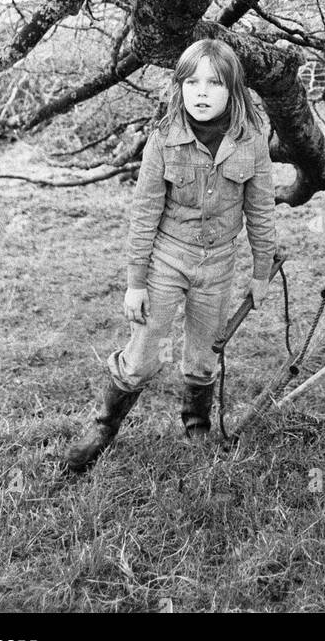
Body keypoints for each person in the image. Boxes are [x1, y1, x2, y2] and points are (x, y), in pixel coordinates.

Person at [65, 39, 275, 471]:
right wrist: (135, 282)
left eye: (214, 83)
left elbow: (261, 211)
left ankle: (197, 425)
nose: (201, 93)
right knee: (143, 355)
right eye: (192, 82)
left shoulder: (251, 141)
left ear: (233, 90)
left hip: (218, 264)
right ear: (179, 87)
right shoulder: (163, 139)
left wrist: (261, 273)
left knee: (204, 353)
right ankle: (104, 426)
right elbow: (143, 215)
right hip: (166, 259)